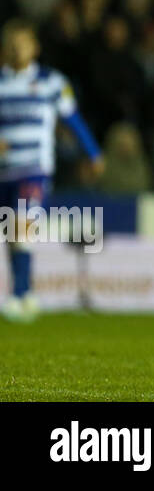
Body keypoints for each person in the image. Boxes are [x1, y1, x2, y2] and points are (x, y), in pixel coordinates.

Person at [0, 19, 103, 322]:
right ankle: (27, 292)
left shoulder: (52, 82)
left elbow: (73, 119)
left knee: (21, 226)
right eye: (13, 43)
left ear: (35, 47)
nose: (18, 49)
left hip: (34, 168)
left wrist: (93, 153)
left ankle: (18, 297)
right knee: (11, 232)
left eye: (24, 43)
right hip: (4, 172)